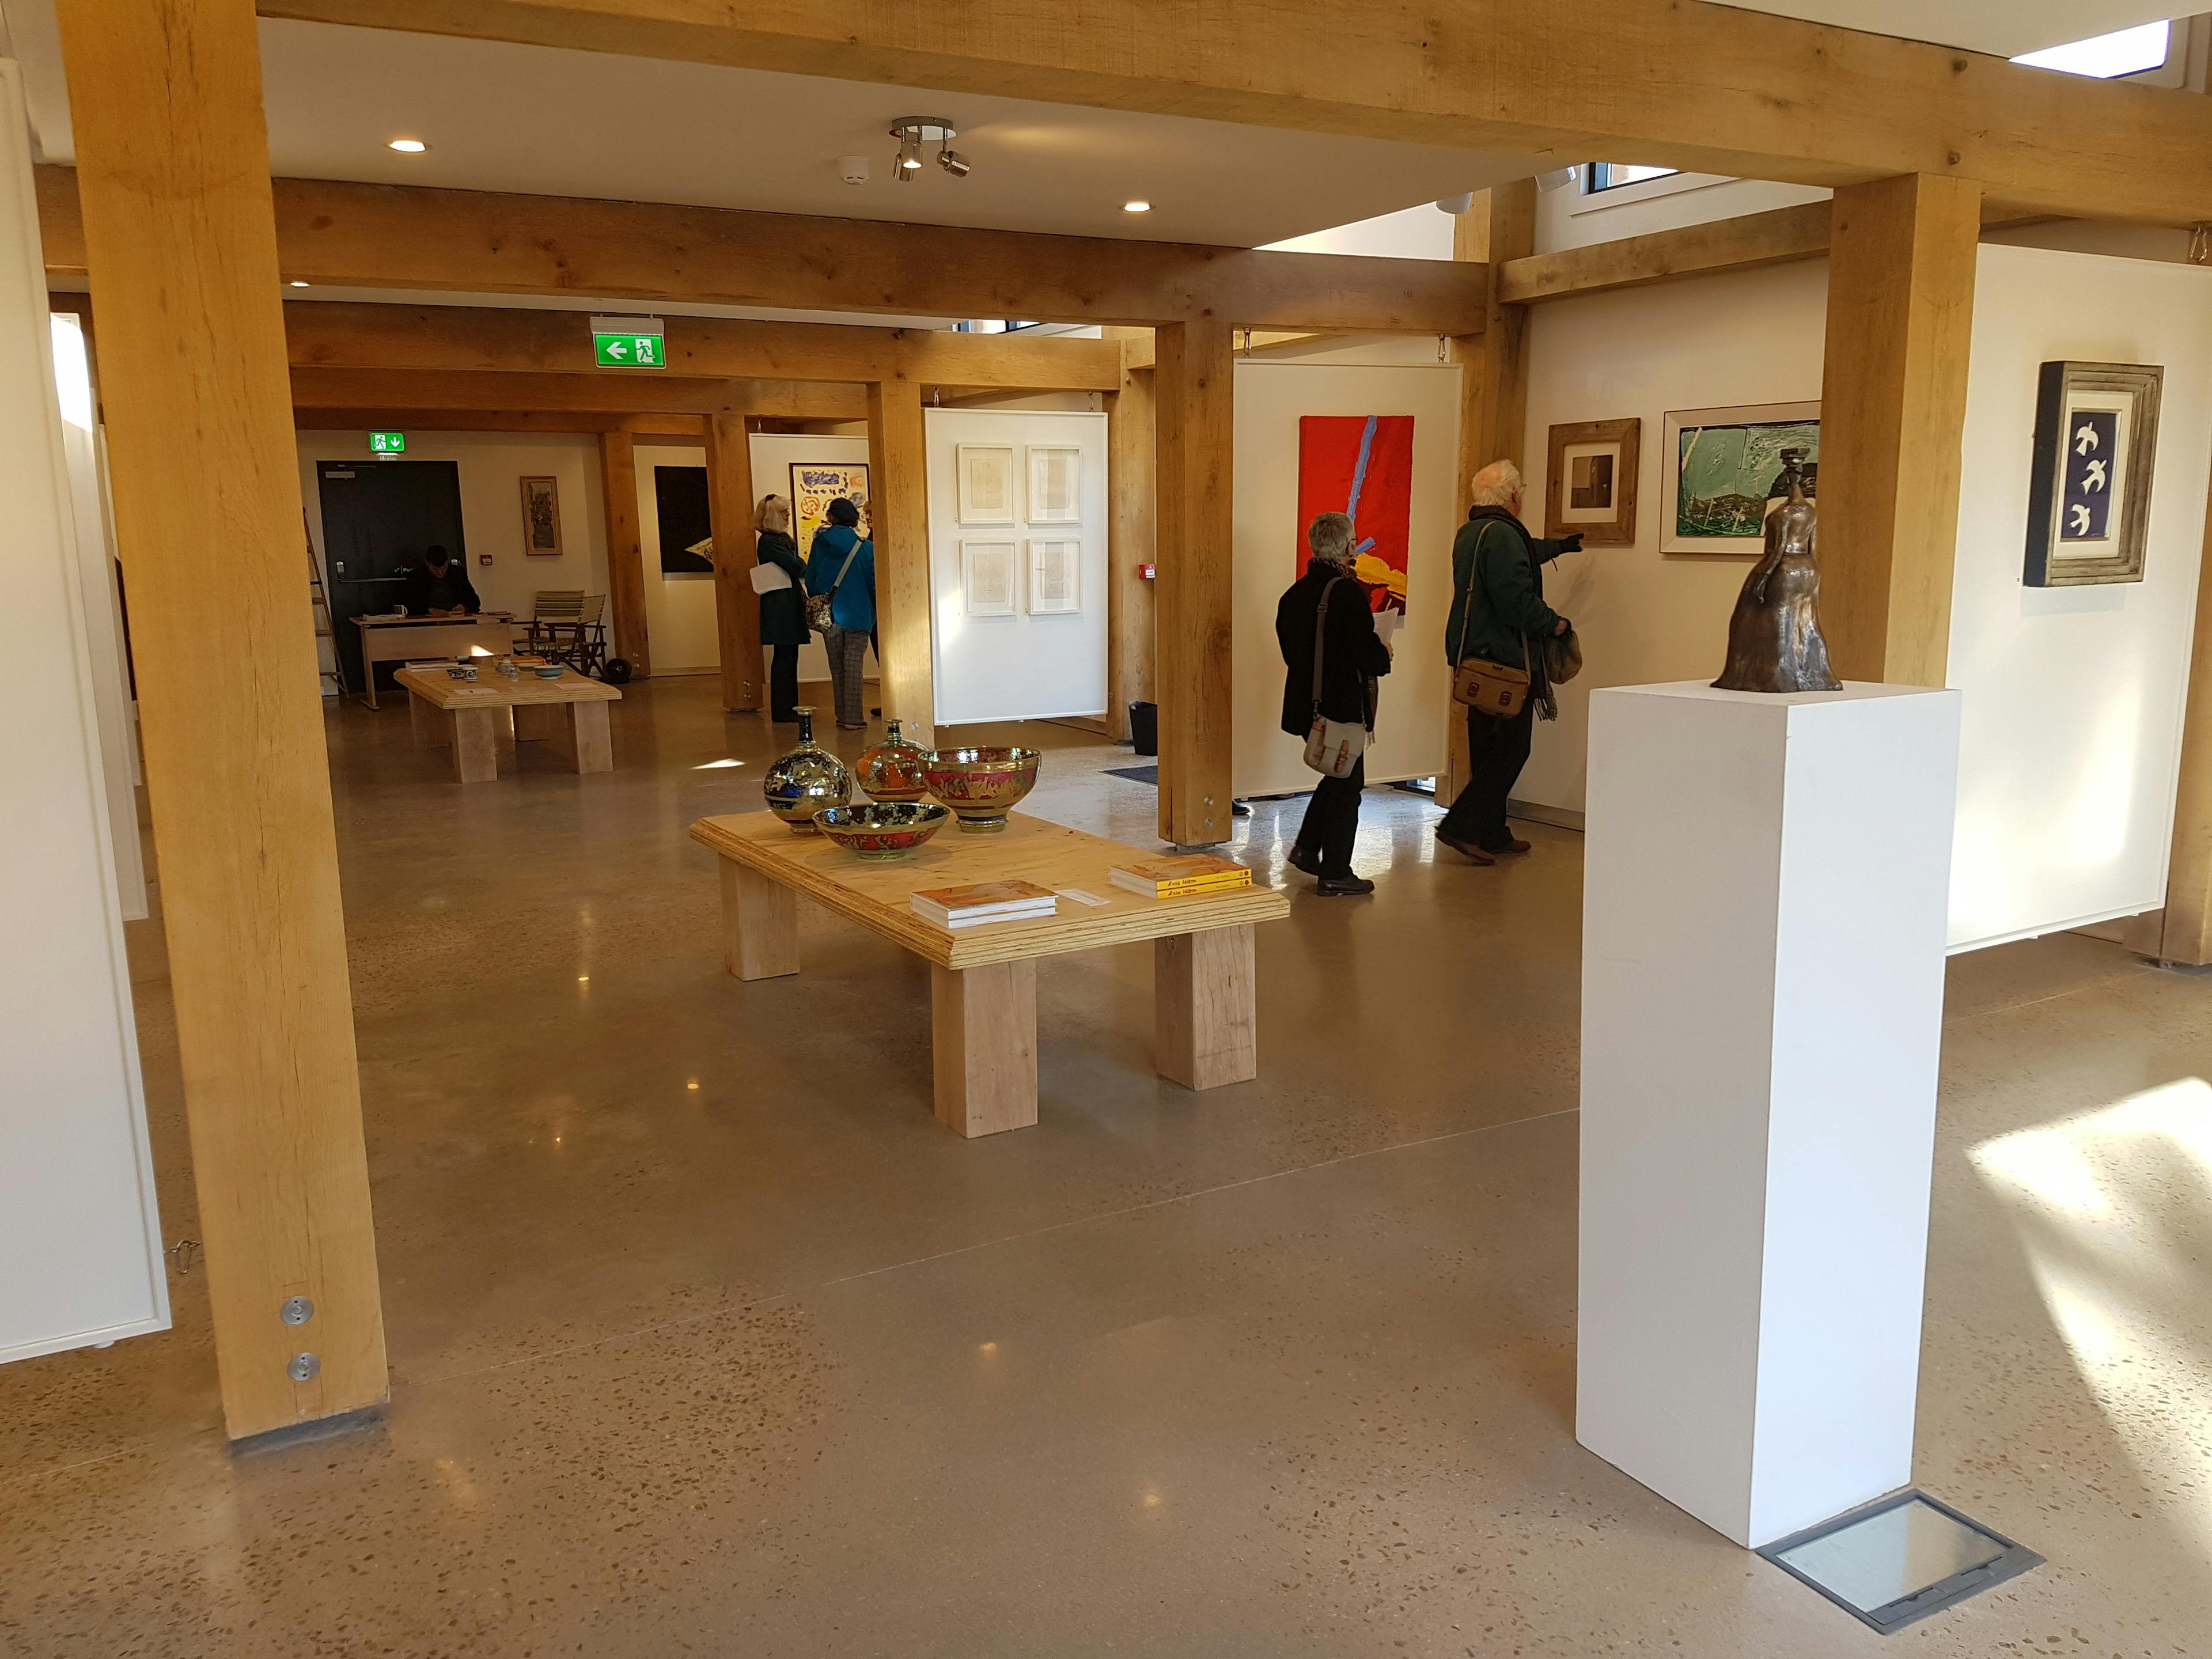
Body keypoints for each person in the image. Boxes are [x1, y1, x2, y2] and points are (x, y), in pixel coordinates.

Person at [1435, 460, 1580, 863]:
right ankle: (1461, 827)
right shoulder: (1501, 535)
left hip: (1476, 658)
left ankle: (1492, 832)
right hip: (1505, 661)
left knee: (1487, 747)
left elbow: (1520, 555)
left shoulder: (1475, 531)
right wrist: (1555, 623)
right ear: (1513, 496)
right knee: (1512, 749)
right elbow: (1513, 599)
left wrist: (1559, 547)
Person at [1276, 512, 1392, 897]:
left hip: (1306, 707)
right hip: (1340, 706)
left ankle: (1309, 849)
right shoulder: (1347, 593)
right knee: (1348, 783)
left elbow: (1293, 655)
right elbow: (1369, 657)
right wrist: (1385, 652)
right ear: (1346, 547)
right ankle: (1336, 872)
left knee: (1337, 774)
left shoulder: (1293, 596)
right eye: (1353, 542)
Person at [805, 497, 876, 730]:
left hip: (830, 615)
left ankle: (841, 713)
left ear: (831, 518)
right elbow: (873, 583)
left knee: (836, 665)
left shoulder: (819, 545)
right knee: (854, 665)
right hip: (859, 613)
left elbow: (812, 579)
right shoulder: (866, 547)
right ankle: (854, 718)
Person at [753, 495, 809, 723]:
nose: (788, 515)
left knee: (787, 656)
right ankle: (784, 709)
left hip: (785, 600)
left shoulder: (775, 540)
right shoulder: (769, 541)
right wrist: (801, 564)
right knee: (785, 656)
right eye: (784, 511)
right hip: (781, 605)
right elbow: (796, 566)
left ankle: (788, 707)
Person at [399, 544, 480, 616]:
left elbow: (475, 601)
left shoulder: (458, 573)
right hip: (427, 619)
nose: (440, 572)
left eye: (444, 568)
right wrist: (429, 610)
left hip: (454, 618)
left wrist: (464, 607)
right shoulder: (417, 576)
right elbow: (408, 604)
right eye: (435, 569)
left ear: (447, 562)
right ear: (427, 563)